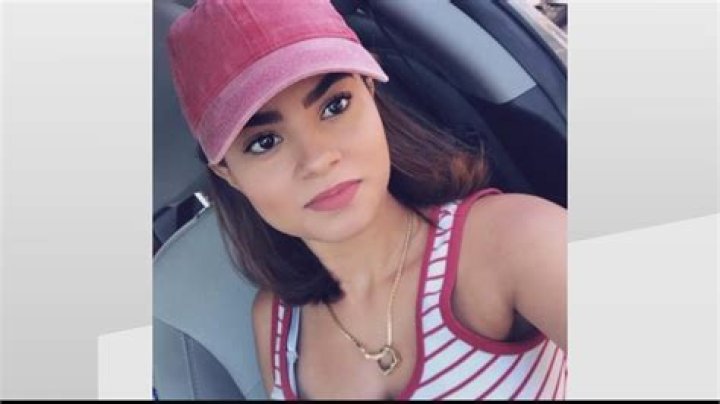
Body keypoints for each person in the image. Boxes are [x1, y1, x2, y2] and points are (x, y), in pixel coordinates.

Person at [167, 0, 567, 400]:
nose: (318, 159)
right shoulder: (275, 326)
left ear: (370, 90)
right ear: (229, 174)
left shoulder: (514, 239)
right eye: (264, 142)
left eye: (335, 105)